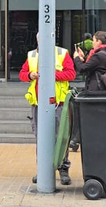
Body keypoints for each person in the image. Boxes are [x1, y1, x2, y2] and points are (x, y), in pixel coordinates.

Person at [19, 36, 76, 186]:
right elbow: (22, 74)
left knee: (60, 137)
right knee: (41, 137)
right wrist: (30, 75)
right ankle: (43, 170)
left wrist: (51, 75)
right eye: (39, 39)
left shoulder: (61, 53)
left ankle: (63, 169)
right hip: (38, 103)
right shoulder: (32, 55)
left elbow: (71, 74)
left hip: (58, 103)